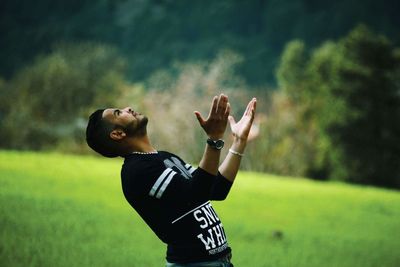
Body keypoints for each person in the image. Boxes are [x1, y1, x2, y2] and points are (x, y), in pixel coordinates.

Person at [85, 94, 257, 267]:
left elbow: (216, 190)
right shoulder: (137, 171)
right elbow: (197, 194)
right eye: (118, 113)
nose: (127, 109)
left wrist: (239, 141)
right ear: (117, 133)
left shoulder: (164, 157)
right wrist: (214, 139)